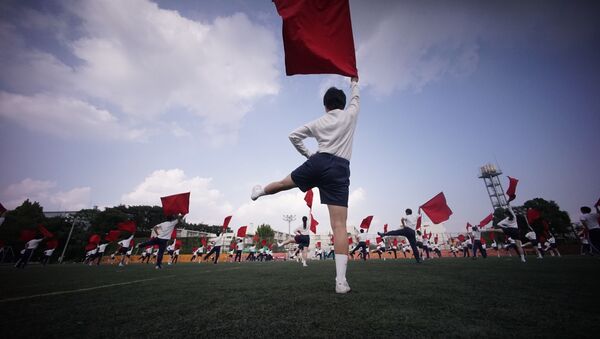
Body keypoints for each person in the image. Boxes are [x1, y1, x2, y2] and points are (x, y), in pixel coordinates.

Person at [250, 77, 359, 293]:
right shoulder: (350, 115)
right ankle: (340, 282)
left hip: (317, 163)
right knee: (339, 226)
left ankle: (259, 192)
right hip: (339, 169)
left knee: (282, 183)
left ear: (326, 105)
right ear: (342, 103)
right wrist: (354, 82)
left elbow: (293, 136)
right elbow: (356, 97)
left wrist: (308, 154)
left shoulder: (318, 122)